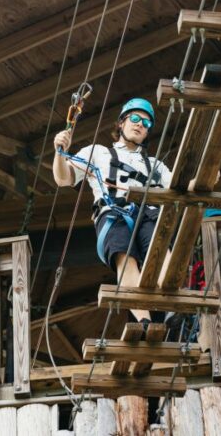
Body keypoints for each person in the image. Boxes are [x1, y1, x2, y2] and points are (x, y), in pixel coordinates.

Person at [52, 98, 171, 326]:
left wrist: (201, 179)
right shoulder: (98, 153)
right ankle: (144, 319)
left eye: (146, 123)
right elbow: (64, 178)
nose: (140, 125)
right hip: (114, 212)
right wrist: (60, 153)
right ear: (121, 123)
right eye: (135, 119)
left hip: (149, 213)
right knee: (125, 259)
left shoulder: (155, 165)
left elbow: (179, 184)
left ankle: (170, 307)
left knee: (161, 251)